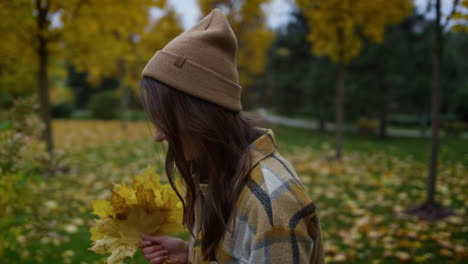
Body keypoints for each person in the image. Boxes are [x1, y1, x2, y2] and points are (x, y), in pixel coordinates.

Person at [138, 8, 324, 264]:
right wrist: (191, 255)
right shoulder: (218, 172)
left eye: (166, 120)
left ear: (201, 115)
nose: (159, 136)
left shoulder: (272, 208)